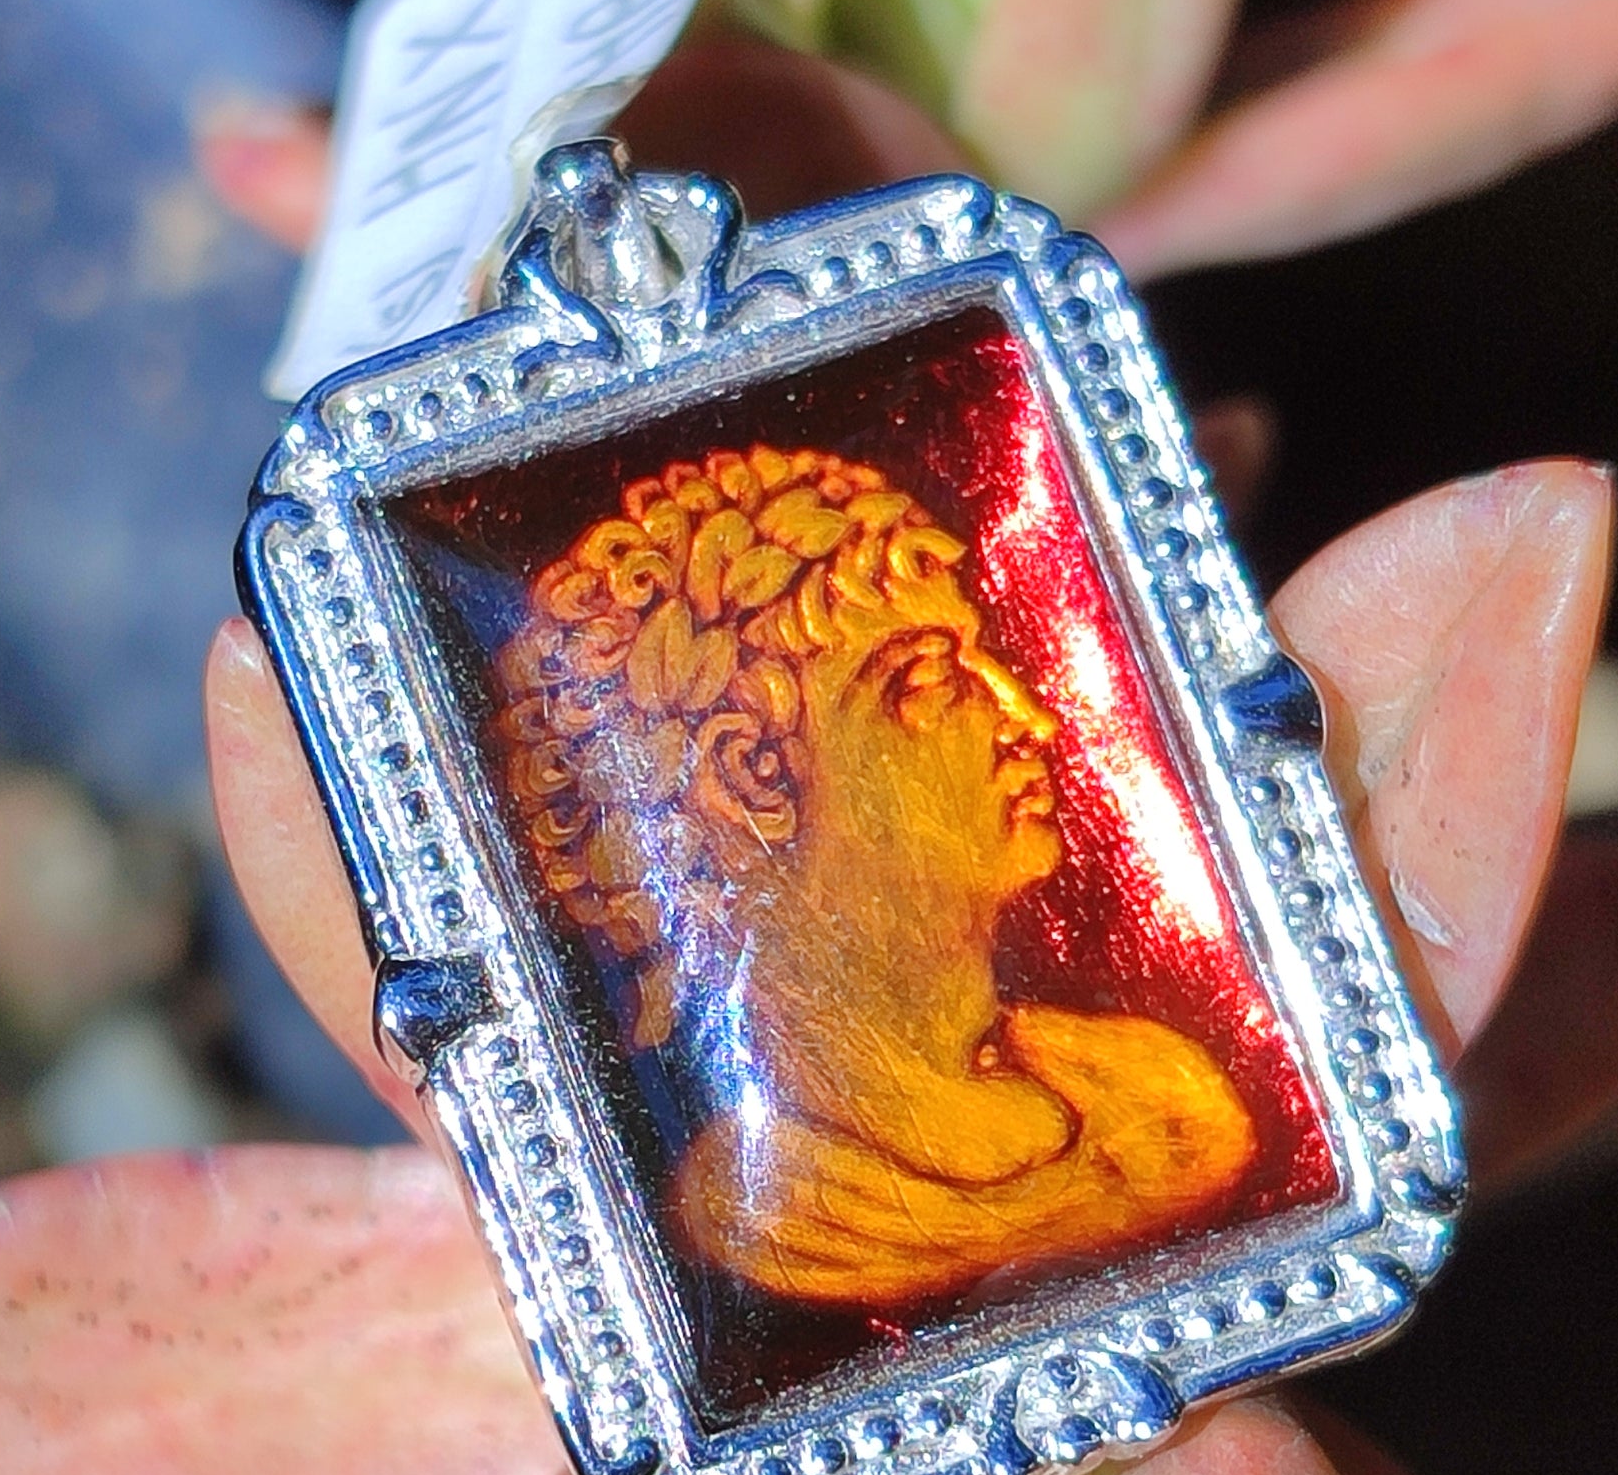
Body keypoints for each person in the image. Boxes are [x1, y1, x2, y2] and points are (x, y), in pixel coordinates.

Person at [489, 441, 1255, 1306]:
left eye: (983, 660)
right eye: (931, 676)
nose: (1029, 716)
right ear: (754, 775)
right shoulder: (777, 1227)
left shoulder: (1159, 1089)